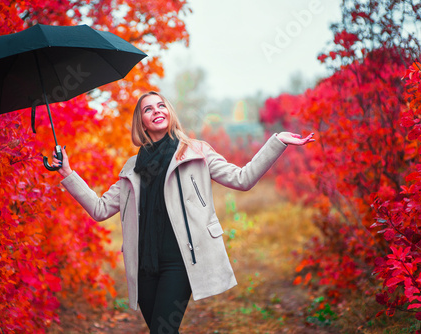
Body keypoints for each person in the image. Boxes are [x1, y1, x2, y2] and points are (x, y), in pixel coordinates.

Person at [52, 91, 315, 333]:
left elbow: (242, 178)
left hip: (180, 262)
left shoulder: (196, 152)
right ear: (141, 123)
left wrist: (278, 142)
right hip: (144, 265)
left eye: (161, 105)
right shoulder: (132, 167)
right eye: (148, 109)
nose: (156, 111)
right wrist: (68, 173)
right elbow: (99, 209)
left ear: (169, 112)